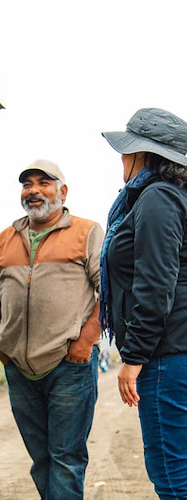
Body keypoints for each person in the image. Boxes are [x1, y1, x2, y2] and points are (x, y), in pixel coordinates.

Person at [0, 159, 103, 499]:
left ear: (62, 191)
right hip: (19, 366)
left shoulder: (86, 232)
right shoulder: (6, 237)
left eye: (43, 183)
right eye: (27, 184)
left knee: (65, 458)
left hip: (69, 364)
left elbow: (109, 290)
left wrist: (86, 341)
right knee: (41, 458)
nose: (34, 191)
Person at [100, 107, 187, 498]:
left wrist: (133, 359)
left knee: (171, 474)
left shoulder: (158, 198)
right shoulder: (174, 196)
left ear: (145, 155)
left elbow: (155, 285)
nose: (121, 158)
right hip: (176, 351)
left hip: (166, 356)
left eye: (126, 150)